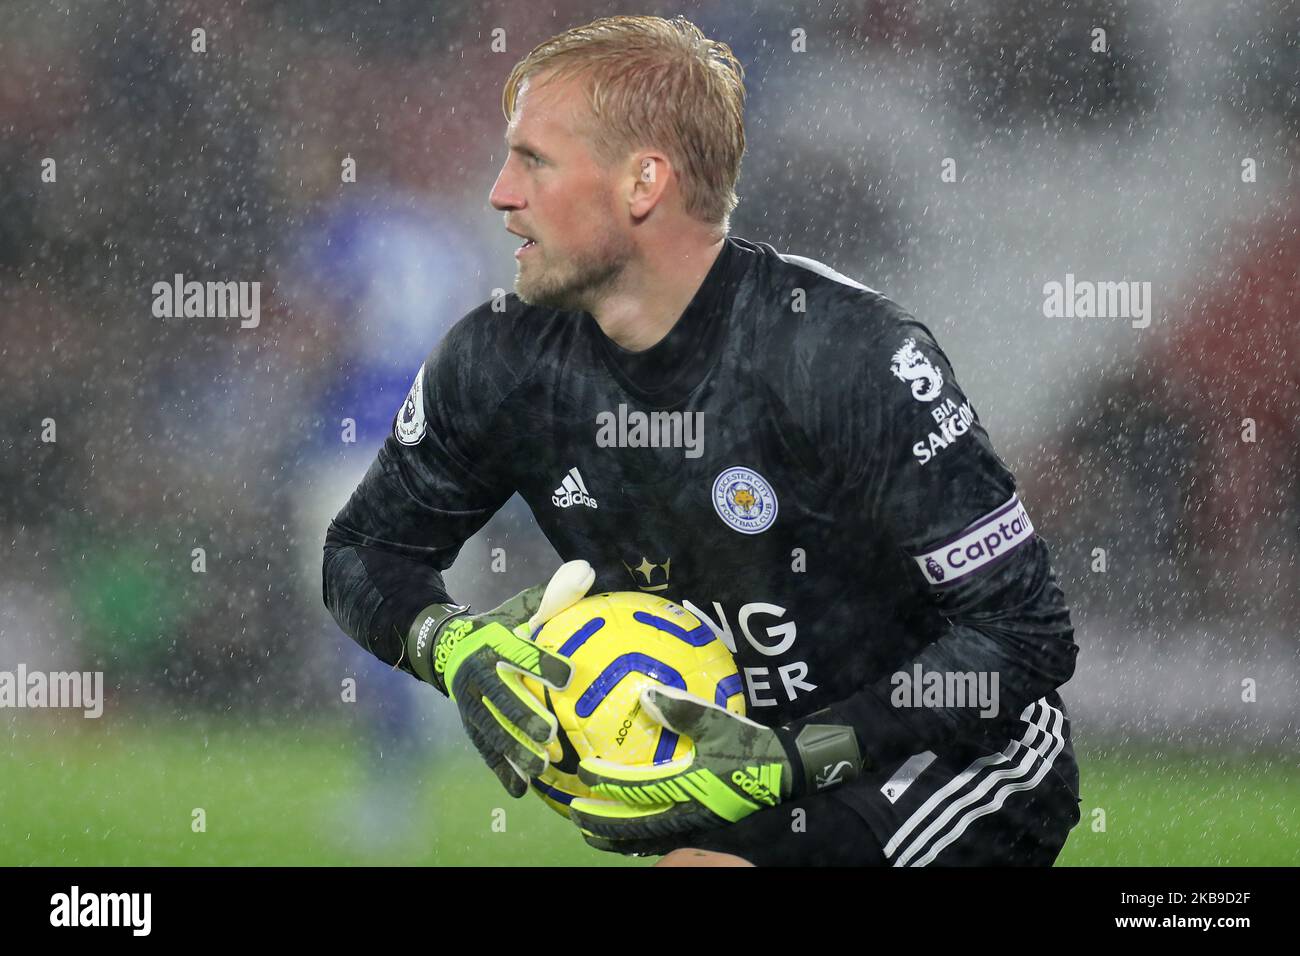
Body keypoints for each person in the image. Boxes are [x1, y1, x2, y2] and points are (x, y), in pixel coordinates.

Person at [322, 14, 1081, 867]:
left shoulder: (843, 354)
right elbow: (362, 549)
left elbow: (1022, 636)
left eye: (534, 159)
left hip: (950, 766)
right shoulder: (501, 362)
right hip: (728, 777)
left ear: (643, 182)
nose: (500, 191)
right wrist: (451, 646)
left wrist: (798, 758)